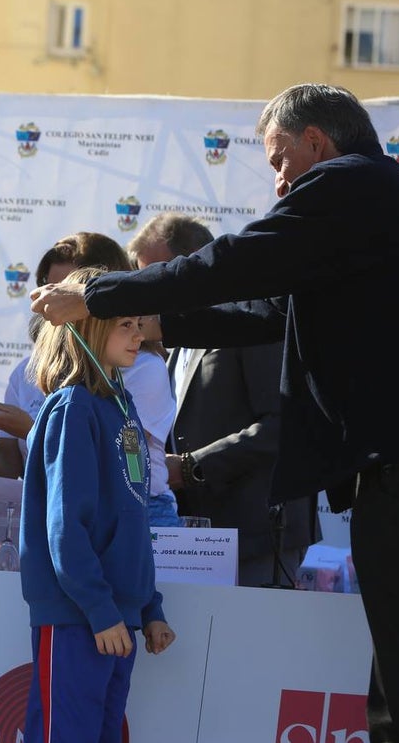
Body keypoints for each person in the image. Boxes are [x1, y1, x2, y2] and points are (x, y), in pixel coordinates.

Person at [31, 84, 399, 743]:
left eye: (280, 159)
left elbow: (237, 264)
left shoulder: (351, 184)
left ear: (316, 141)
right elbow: (266, 312)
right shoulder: (373, 209)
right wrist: (157, 323)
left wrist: (101, 294)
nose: (278, 181)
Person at [19, 266, 175, 743]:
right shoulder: (73, 407)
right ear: (87, 327)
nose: (139, 334)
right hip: (78, 617)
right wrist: (100, 609)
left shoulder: (124, 406)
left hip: (117, 619)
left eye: (139, 323)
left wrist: (149, 607)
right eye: (125, 324)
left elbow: (134, 517)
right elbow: (66, 525)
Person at [0, 232, 182, 526]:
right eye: (48, 289)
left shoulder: (140, 369)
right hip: (64, 510)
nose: (53, 305)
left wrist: (31, 430)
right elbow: (14, 468)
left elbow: (122, 467)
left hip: (137, 514)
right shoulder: (30, 372)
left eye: (67, 293)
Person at [127, 212, 320, 587]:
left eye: (155, 276)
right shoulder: (172, 339)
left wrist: (191, 467)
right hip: (196, 540)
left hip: (258, 537)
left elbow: (285, 423)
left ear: (192, 265)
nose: (146, 291)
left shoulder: (251, 317)